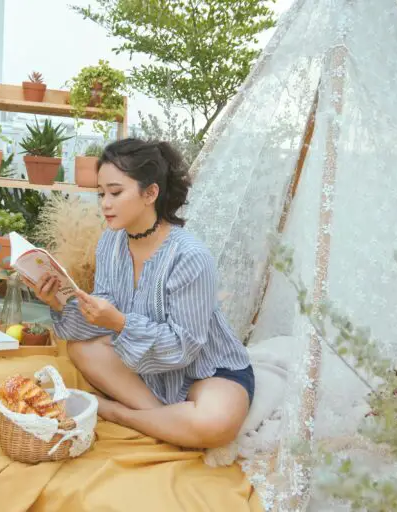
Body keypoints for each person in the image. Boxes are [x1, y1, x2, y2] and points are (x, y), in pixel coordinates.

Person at [23, 138, 253, 450]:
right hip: (147, 370)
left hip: (207, 369)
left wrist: (119, 323)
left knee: (216, 424)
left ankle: (120, 413)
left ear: (150, 193)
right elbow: (101, 316)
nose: (105, 203)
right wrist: (59, 303)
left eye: (116, 192)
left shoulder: (190, 256)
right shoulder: (110, 243)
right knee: (80, 348)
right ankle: (165, 420)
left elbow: (185, 347)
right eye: (101, 193)